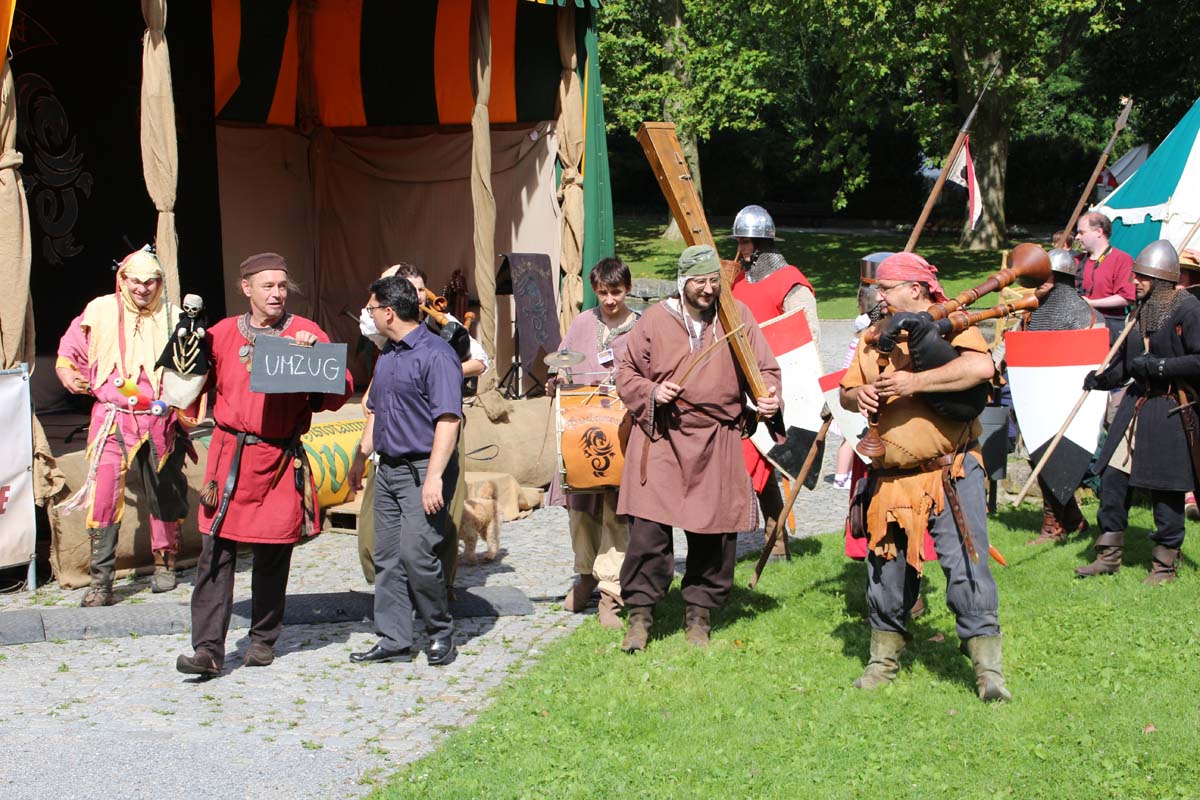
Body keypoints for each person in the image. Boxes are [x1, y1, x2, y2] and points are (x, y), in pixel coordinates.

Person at [839, 252, 1010, 702]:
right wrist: (862, 396)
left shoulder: (955, 322)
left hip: (949, 471)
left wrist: (914, 383)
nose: (879, 295)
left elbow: (979, 369)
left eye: (887, 288)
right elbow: (844, 392)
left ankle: (988, 670)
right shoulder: (874, 335)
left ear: (915, 290)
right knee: (886, 573)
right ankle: (883, 661)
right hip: (891, 481)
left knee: (966, 566)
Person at [176, 253, 353, 676]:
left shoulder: (306, 333)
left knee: (273, 554)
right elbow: (190, 383)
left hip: (276, 460)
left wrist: (310, 362)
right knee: (215, 554)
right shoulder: (219, 334)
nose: (276, 293)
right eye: (267, 286)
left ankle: (262, 640)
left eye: (281, 286)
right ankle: (208, 650)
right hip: (229, 458)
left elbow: (339, 390)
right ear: (247, 288)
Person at [615, 244, 782, 652]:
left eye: (713, 281)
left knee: (713, 535)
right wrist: (653, 391)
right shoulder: (655, 320)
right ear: (682, 281)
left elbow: (766, 368)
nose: (707, 290)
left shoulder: (736, 317)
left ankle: (699, 616)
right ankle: (639, 617)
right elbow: (626, 372)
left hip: (716, 438)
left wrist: (769, 397)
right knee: (648, 534)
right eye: (699, 282)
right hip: (662, 437)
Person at [56, 246, 189, 606]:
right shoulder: (99, 310)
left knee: (163, 490)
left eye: (151, 282)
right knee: (103, 497)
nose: (143, 289)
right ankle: (102, 581)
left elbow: (193, 369)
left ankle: (166, 563)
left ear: (160, 282)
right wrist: (67, 371)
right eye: (135, 281)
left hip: (160, 417)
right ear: (122, 279)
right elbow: (71, 350)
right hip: (113, 417)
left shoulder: (174, 317)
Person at [348, 276, 463, 665]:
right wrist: (359, 459)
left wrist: (434, 478)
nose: (369, 315)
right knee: (388, 558)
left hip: (422, 470)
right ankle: (394, 639)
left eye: (371, 309)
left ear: (389, 312)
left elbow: (449, 420)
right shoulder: (389, 355)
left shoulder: (436, 354)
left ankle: (439, 631)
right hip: (388, 470)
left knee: (417, 554)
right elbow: (376, 411)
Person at [355, 263, 487, 598]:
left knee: (438, 520)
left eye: (417, 289)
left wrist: (437, 370)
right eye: (404, 288)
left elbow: (481, 362)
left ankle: (438, 593)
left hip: (440, 428)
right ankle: (398, 605)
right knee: (379, 535)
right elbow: (374, 325)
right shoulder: (385, 324)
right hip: (395, 435)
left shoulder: (443, 326)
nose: (413, 295)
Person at [1075, 241, 1200, 584]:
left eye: (1142, 277)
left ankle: (1164, 565)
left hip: (1170, 407)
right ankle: (1109, 554)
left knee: (1165, 488)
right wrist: (1104, 380)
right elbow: (1128, 366)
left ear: (1160, 278)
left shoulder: (1188, 310)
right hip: (1135, 405)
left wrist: (1159, 366)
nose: (1135, 282)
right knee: (1113, 480)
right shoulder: (1138, 311)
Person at [546, 258, 639, 629]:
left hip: (621, 434)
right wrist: (558, 377)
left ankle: (611, 594)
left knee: (616, 514)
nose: (609, 299)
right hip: (581, 433)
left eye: (615, 292)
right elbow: (563, 362)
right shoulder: (585, 322)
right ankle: (585, 574)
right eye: (602, 292)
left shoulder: (642, 327)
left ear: (627, 289)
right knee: (580, 510)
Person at [728, 204, 820, 558]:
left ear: (758, 244)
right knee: (757, 459)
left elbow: (806, 340)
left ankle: (734, 539)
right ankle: (775, 533)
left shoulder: (791, 282)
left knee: (755, 459)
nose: (739, 247)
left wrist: (808, 389)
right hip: (737, 383)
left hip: (772, 388)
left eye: (743, 241)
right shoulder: (736, 280)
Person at [1022, 247, 1097, 545]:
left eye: (1044, 277)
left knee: (1054, 459)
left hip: (1068, 399)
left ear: (1062, 278)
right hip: (1037, 398)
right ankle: (1073, 518)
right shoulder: (1033, 312)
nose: (1038, 282)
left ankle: (1054, 524)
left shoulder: (1084, 314)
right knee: (1038, 458)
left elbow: (1089, 362)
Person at [1075, 211, 1136, 344]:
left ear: (1098, 232)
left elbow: (1127, 297)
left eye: (1082, 232)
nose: (1077, 237)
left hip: (1109, 327)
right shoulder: (1077, 261)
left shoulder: (1122, 259)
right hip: (1077, 324)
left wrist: (1091, 303)